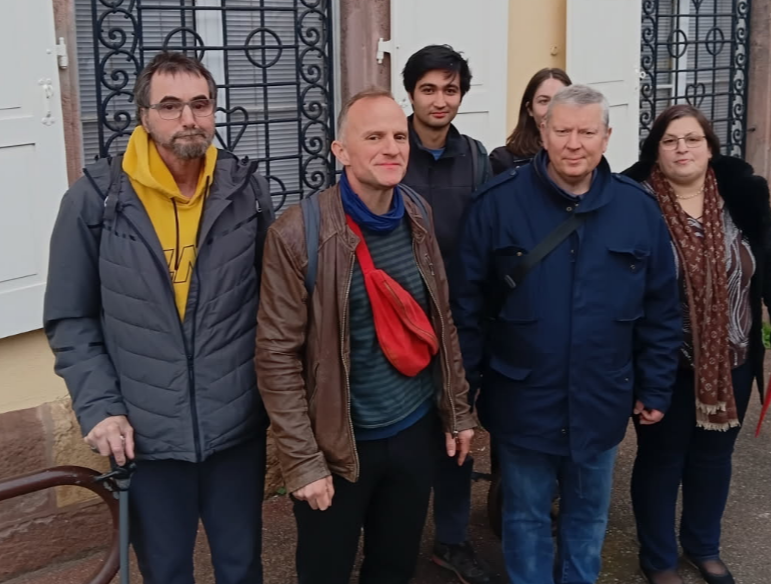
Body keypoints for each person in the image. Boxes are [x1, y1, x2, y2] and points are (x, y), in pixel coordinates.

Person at [43, 51, 273, 584]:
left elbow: (274, 304)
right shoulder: (95, 200)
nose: (188, 118)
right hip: (146, 436)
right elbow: (71, 319)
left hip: (235, 428)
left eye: (200, 104)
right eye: (170, 106)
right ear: (144, 116)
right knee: (166, 571)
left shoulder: (245, 191)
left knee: (242, 567)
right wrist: (100, 408)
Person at [450, 84, 682, 584]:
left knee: (588, 516)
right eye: (562, 131)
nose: (574, 144)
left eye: (586, 132)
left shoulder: (638, 210)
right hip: (523, 398)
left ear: (606, 137)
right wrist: (461, 397)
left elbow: (662, 309)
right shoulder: (497, 204)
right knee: (525, 516)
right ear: (543, 132)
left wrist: (656, 385)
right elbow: (466, 308)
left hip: (602, 396)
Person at [255, 88, 477, 584]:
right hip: (339, 446)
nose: (391, 148)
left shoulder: (417, 212)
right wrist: (303, 462)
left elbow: (441, 318)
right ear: (342, 151)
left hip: (414, 432)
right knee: (325, 571)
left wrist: (457, 410)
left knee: (394, 567)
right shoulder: (297, 233)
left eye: (399, 136)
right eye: (373, 137)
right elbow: (276, 357)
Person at [623, 104, 771, 584]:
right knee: (661, 460)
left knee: (713, 457)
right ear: (655, 152)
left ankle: (703, 546)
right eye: (670, 140)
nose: (682, 148)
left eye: (692, 139)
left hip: (733, 357)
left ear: (710, 148)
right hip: (662, 363)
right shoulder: (634, 202)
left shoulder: (741, 196)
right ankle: (658, 558)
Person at [400, 43, 492, 584]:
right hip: (398, 325)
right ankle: (394, 543)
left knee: (458, 436)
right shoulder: (390, 149)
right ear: (410, 93)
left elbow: (485, 240)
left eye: (450, 89)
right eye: (428, 89)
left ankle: (452, 540)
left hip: (459, 324)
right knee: (401, 441)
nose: (440, 100)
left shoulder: (477, 158)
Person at [489, 67, 572, 176]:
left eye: (560, 100)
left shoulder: (584, 156)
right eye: (544, 101)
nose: (552, 109)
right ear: (529, 109)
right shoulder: (503, 160)